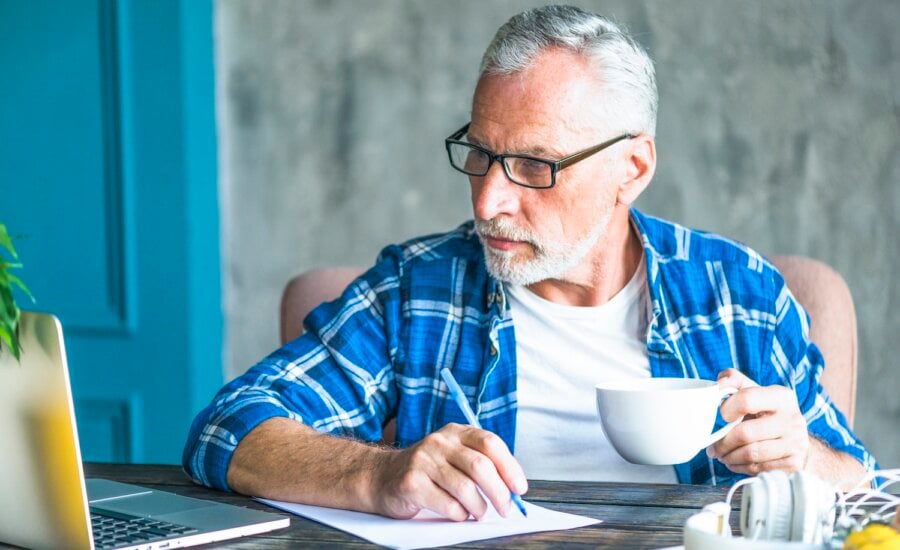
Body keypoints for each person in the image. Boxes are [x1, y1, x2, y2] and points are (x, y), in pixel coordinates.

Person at [183, 5, 874, 521]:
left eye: (533, 165)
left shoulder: (739, 293)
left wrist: (803, 457)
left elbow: (867, 493)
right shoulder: (419, 288)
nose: (488, 200)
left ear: (631, 167)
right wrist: (378, 474)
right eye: (480, 152)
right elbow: (228, 426)